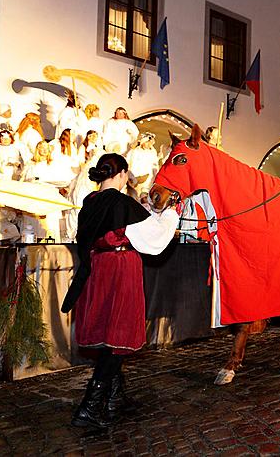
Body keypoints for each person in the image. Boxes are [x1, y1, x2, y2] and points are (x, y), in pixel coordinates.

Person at [60, 153, 179, 428]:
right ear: (122, 173)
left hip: (97, 269)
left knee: (108, 333)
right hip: (119, 269)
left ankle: (114, 397)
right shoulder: (122, 203)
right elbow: (155, 239)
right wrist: (172, 212)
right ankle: (89, 407)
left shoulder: (89, 202)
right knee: (117, 336)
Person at [125, 132, 159, 198]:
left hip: (147, 179)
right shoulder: (134, 151)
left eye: (150, 143)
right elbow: (128, 162)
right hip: (134, 178)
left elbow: (155, 166)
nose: (148, 144)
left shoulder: (152, 153)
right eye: (147, 142)